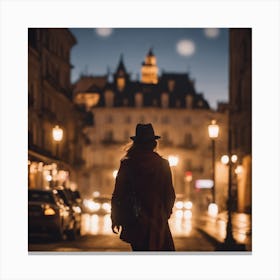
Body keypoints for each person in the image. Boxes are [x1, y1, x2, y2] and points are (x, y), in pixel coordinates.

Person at [111, 123, 176, 251]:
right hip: (157, 218)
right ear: (153, 143)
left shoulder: (128, 164)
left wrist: (116, 218)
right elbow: (169, 194)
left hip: (134, 220)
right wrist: (164, 214)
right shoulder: (162, 164)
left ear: (136, 143)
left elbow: (118, 194)